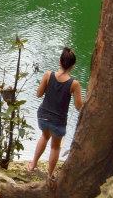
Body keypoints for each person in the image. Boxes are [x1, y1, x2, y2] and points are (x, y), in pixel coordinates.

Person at [28, 47, 85, 178]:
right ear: (73, 66)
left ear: (60, 62)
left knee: (44, 136)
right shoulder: (74, 84)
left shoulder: (48, 75)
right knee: (55, 147)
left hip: (42, 116)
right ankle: (50, 175)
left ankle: (33, 164)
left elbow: (38, 94)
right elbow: (78, 106)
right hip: (58, 122)